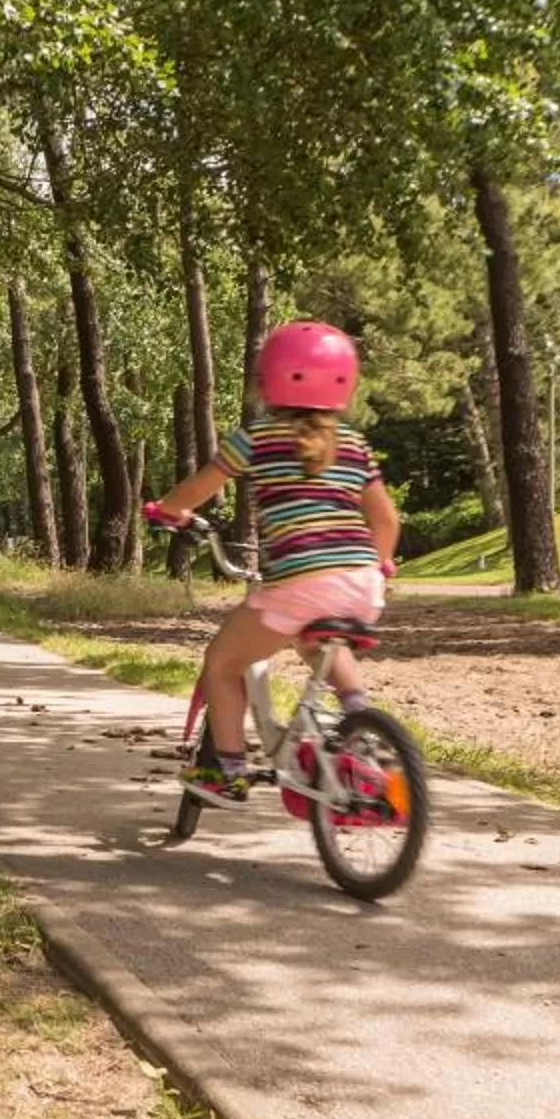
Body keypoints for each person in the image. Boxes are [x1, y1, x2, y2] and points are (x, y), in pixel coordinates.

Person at [142, 320, 402, 806]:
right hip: (362, 582)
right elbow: (386, 519)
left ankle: (230, 773)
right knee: (319, 643)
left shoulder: (258, 436)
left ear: (272, 380)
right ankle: (361, 724)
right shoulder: (355, 445)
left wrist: (169, 510)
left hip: (300, 582)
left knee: (222, 663)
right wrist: (383, 563)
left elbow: (201, 487)